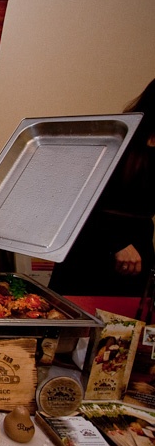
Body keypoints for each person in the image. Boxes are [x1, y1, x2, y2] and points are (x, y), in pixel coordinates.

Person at [49, 78, 155, 297]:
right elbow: (74, 198)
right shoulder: (119, 135)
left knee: (123, 316)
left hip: (138, 246)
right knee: (72, 311)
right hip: (92, 240)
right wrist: (118, 242)